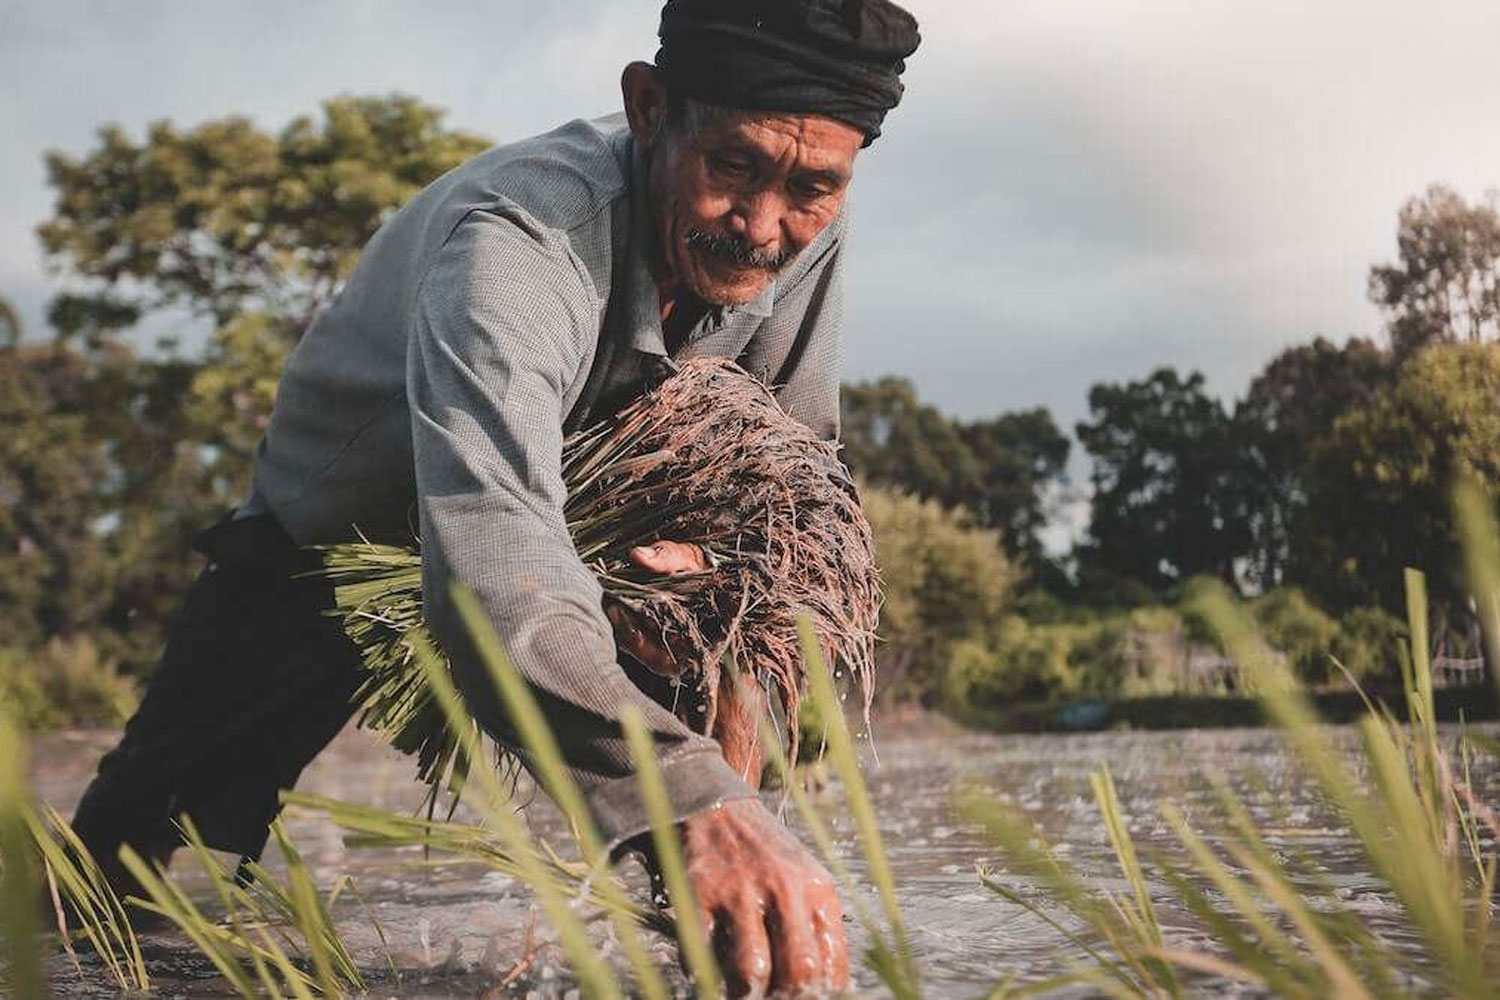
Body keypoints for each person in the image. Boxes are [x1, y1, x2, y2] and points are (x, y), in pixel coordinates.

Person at [70, 0, 920, 994]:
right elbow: (495, 575)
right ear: (648, 108)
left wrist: (728, 585)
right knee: (131, 855)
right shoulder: (519, 246)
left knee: (732, 636)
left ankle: (725, 936)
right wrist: (690, 797)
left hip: (594, 522)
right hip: (344, 533)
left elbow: (794, 463)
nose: (764, 226)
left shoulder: (802, 214)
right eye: (729, 168)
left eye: (813, 187)